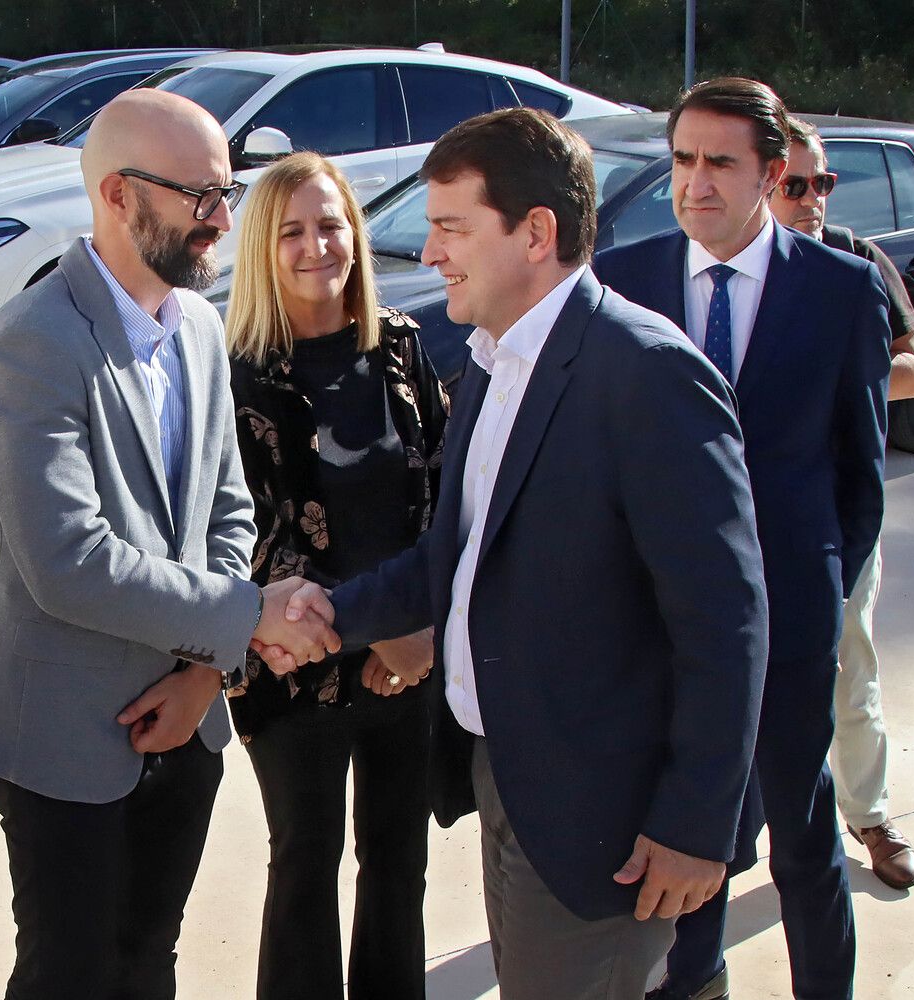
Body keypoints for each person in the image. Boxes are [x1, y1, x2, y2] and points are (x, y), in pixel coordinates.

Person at [260, 107, 770, 1000]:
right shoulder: (494, 360)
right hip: (508, 778)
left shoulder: (647, 373)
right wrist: (331, 614)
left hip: (599, 814)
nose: (428, 255)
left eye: (452, 228)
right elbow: (449, 560)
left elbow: (726, 625)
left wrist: (698, 823)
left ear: (536, 233)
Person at [0, 89, 337, 1000]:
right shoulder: (33, 341)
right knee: (70, 976)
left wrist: (205, 671)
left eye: (226, 191)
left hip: (189, 719)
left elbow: (228, 511)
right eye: (200, 196)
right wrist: (249, 615)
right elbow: (68, 563)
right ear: (121, 195)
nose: (222, 220)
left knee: (148, 963)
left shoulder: (201, 327)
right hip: (64, 736)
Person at [596, 78, 892, 1000]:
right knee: (690, 833)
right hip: (659, 622)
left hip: (792, 622)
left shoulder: (842, 292)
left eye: (721, 162)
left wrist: (811, 594)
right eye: (683, 160)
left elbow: (862, 477)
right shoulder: (625, 278)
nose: (697, 183)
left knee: (803, 842)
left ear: (772, 174)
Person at [224, 151, 447, 1000]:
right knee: (305, 865)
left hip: (407, 662)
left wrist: (416, 630)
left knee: (398, 862)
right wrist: (371, 623)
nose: (317, 245)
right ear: (262, 250)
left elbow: (442, 495)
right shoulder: (239, 370)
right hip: (293, 667)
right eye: (292, 231)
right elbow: (242, 531)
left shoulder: (400, 347)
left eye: (331, 224)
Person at [770, 115, 914, 891]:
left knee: (849, 670)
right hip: (740, 518)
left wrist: (840, 378)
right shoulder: (726, 276)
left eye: (823, 183)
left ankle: (868, 813)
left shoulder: (859, 265)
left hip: (836, 515)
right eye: (796, 185)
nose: (813, 200)